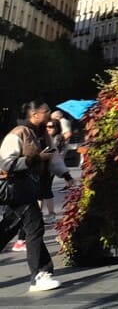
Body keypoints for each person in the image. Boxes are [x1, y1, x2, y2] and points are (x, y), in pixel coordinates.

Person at [0, 100, 73, 292]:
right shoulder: (18, 134)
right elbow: (6, 163)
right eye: (45, 111)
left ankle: (41, 273)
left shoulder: (42, 134)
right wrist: (36, 159)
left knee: (9, 230)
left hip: (28, 189)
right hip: (17, 189)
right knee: (34, 229)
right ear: (34, 115)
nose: (49, 114)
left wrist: (65, 174)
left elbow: (54, 158)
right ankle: (40, 274)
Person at [38, 120, 66, 222]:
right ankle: (39, 213)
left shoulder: (57, 138)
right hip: (44, 168)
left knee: (46, 191)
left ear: (57, 127)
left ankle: (51, 214)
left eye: (51, 126)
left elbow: (53, 151)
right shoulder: (46, 137)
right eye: (47, 126)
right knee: (40, 192)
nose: (48, 128)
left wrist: (39, 154)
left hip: (50, 168)